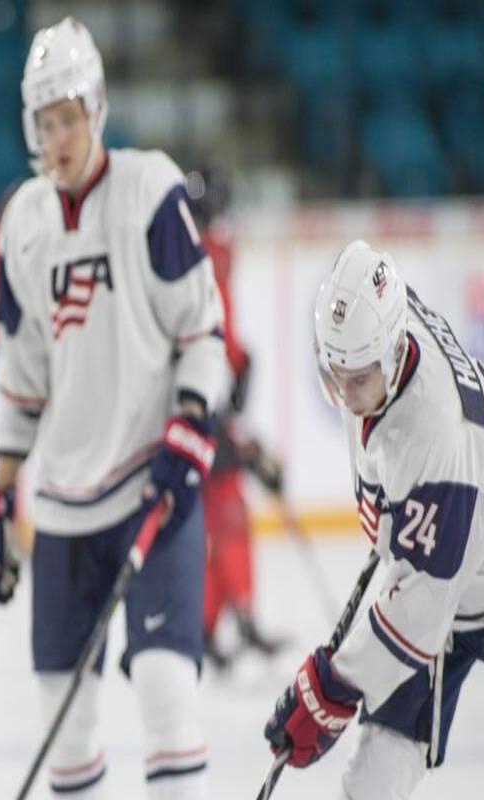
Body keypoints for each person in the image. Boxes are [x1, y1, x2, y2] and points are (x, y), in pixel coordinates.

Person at [0, 17, 226, 800]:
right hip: (63, 513)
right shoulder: (22, 225)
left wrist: (190, 425)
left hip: (153, 490)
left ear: (97, 109)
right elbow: (22, 380)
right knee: (65, 720)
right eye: (45, 121)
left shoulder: (151, 190)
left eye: (69, 115)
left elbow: (205, 332)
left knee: (164, 693)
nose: (59, 135)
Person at [264, 240, 484, 798]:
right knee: (371, 781)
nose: (344, 393)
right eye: (333, 374)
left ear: (394, 355)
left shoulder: (437, 434)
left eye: (358, 379)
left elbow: (419, 609)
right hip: (448, 572)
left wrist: (333, 686)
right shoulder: (374, 330)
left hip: (462, 575)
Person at [186, 166, 287, 669]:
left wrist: (240, 365)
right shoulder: (212, 256)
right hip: (206, 403)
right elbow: (216, 337)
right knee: (226, 512)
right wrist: (237, 369)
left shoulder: (193, 257)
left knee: (216, 513)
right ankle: (235, 613)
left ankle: (210, 623)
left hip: (203, 399)